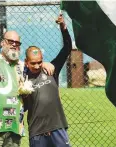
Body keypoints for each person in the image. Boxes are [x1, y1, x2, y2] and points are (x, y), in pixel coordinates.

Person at [0, 26, 54, 147]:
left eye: (17, 43)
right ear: (2, 43)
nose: (14, 45)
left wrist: (44, 63)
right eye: (11, 42)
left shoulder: (21, 66)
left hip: (14, 127)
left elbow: (35, 64)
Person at [23, 13, 72, 147]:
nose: (37, 65)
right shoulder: (22, 78)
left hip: (57, 128)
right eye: (33, 63)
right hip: (37, 132)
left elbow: (67, 48)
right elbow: (24, 107)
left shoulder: (51, 69)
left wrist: (63, 26)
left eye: (40, 62)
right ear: (26, 62)